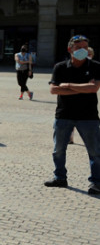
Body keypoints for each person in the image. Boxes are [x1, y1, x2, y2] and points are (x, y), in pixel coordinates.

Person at [45, 35, 100, 194]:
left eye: (85, 47)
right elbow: (54, 90)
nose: (82, 50)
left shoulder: (96, 66)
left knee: (95, 152)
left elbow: (93, 89)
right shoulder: (60, 67)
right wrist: (83, 88)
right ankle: (60, 178)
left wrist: (68, 86)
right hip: (64, 115)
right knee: (58, 150)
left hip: (88, 116)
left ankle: (96, 183)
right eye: (78, 48)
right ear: (70, 49)